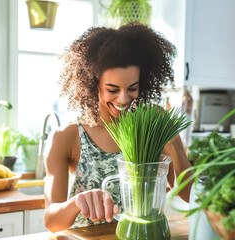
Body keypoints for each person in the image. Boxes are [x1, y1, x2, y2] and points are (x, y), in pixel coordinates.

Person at [43, 22, 193, 232]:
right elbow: (51, 221)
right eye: (112, 89)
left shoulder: (150, 129)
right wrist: (77, 202)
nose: (123, 99)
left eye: (133, 88)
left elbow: (189, 195)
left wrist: (171, 138)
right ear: (92, 82)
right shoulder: (66, 137)